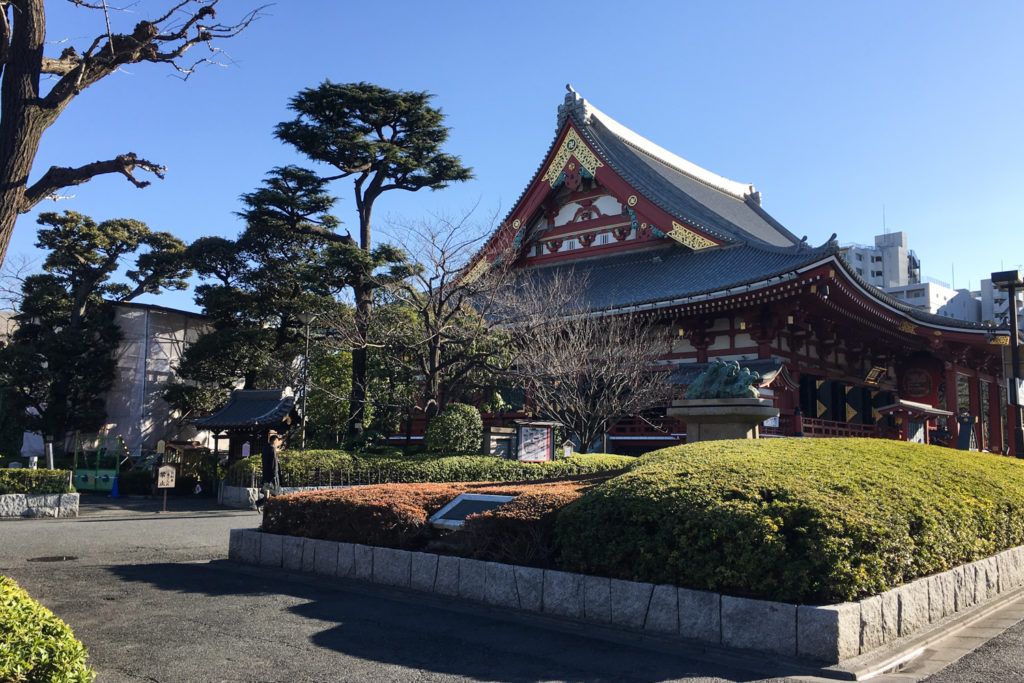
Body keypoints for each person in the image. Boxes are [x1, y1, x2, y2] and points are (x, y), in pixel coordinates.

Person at [256, 433, 281, 509]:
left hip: (266, 473)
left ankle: (262, 504)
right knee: (275, 492)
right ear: (274, 441)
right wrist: (275, 473)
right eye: (277, 440)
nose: (278, 442)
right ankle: (262, 504)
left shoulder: (266, 448)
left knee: (270, 492)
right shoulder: (272, 448)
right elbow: (274, 463)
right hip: (272, 475)